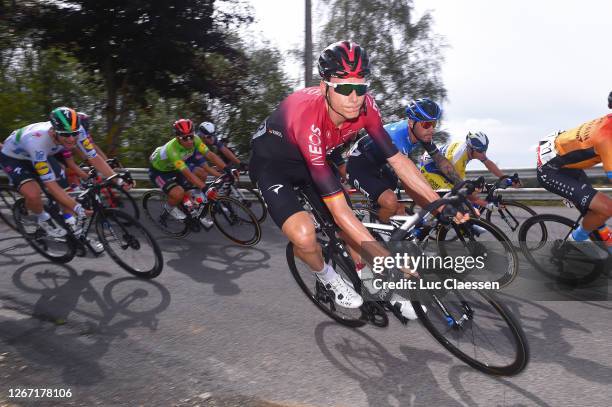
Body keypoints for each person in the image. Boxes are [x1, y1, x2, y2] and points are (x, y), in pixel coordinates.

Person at [248, 40, 466, 319]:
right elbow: (339, 212)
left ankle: (372, 285)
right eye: (345, 89)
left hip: (314, 160)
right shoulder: (306, 117)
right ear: (325, 86)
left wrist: (437, 203)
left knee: (350, 228)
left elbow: (398, 160)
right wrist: (387, 261)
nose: (355, 98)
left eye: (361, 87)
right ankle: (326, 275)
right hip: (272, 165)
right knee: (305, 236)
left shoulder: (366, 108)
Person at [0, 107, 126, 240]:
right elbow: (51, 185)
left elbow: (94, 157)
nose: (72, 139)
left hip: (42, 155)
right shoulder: (37, 141)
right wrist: (77, 208)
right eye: (66, 134)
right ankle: (43, 219)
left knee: (65, 188)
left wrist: (118, 179)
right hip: (14, 157)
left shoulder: (78, 130)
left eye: (74, 133)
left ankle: (72, 227)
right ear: (54, 131)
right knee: (33, 194)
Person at [346, 98, 458, 222]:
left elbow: (441, 161)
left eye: (434, 124)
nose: (431, 129)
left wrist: (459, 183)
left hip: (379, 164)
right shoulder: (398, 138)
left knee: (400, 209)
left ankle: (390, 223)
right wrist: (438, 205)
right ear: (411, 123)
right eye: (426, 124)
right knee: (391, 202)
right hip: (358, 164)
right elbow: (408, 177)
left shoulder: (420, 133)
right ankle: (379, 237)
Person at [536, 114, 612, 257]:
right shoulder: (607, 138)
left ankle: (601, 238)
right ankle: (574, 242)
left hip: (562, 157)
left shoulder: (609, 119)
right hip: (551, 170)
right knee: (607, 208)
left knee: (595, 211)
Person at [148, 118, 228, 226]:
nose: (190, 141)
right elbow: (189, 175)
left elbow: (210, 155)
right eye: (185, 138)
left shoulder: (196, 140)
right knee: (178, 192)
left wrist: (227, 170)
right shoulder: (171, 150)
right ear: (177, 138)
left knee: (189, 191)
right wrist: (205, 189)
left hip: (174, 168)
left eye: (191, 136)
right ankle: (167, 210)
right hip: (159, 171)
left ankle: (192, 213)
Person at [419, 131, 520, 208]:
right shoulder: (458, 160)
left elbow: (488, 163)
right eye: (480, 151)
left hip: (442, 165)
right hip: (430, 170)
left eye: (485, 150)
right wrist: (487, 205)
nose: (483, 154)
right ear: (471, 149)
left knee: (471, 194)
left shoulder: (471, 149)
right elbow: (463, 189)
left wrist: (504, 178)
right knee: (456, 200)